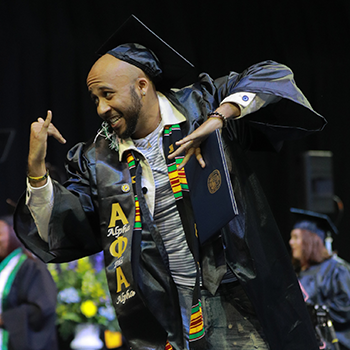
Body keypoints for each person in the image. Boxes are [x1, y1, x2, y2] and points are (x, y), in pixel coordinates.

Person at [14, 15, 327, 350]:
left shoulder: (201, 106)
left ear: (142, 86)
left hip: (236, 294)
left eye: (107, 94)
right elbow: (63, 225)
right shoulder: (99, 160)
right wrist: (36, 170)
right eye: (95, 100)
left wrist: (220, 118)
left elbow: (273, 76)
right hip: (165, 309)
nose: (102, 108)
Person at [289, 208, 350, 350]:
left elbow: (346, 307)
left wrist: (314, 311)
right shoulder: (298, 273)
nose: (291, 242)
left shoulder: (336, 269)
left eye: (296, 237)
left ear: (311, 241)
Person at [0, 215, 58, 350]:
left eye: (1, 233)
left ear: (14, 233)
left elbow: (43, 307)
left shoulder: (32, 266)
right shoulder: (4, 267)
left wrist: (5, 319)